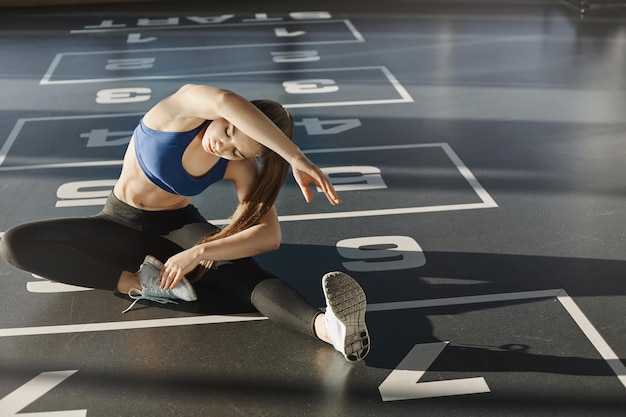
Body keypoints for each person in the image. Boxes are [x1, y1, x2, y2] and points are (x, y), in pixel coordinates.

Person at [0, 84, 370, 362]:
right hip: (117, 221)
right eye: (226, 132)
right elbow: (225, 100)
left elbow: (268, 235)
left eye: (240, 150)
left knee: (243, 273)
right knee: (15, 243)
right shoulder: (174, 114)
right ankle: (140, 284)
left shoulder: (239, 164)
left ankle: (329, 329)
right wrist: (296, 157)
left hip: (178, 229)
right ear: (229, 118)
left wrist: (200, 252)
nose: (224, 148)